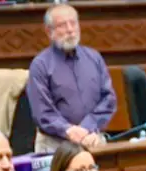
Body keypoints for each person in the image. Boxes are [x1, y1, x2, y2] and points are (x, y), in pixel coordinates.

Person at [26, 2, 117, 153]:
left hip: (92, 139)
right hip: (55, 145)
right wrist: (69, 131)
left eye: (73, 23)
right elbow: (42, 112)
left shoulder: (94, 58)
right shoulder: (40, 65)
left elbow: (108, 99)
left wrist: (87, 127)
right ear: (49, 32)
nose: (70, 30)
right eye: (62, 25)